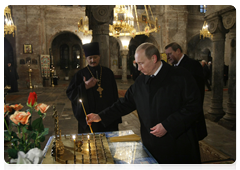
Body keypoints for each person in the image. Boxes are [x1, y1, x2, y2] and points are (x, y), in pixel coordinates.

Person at [87, 42, 202, 170]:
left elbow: (194, 106)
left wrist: (167, 125)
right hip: (152, 143)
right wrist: (100, 116)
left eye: (141, 63)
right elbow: (124, 103)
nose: (138, 69)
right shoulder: (141, 81)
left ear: (154, 58)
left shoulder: (181, 76)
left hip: (178, 144)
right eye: (137, 64)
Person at [66, 42, 122, 133]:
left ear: (99, 56)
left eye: (95, 57)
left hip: (107, 117)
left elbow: (115, 95)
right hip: (90, 117)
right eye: (90, 58)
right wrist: (85, 86)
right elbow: (70, 94)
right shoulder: (80, 74)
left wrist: (115, 115)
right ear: (86, 58)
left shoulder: (108, 73)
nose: (93, 60)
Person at [165, 42, 207, 140]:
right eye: (167, 55)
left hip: (190, 112)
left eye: (170, 54)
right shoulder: (174, 67)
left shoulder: (192, 65)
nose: (168, 57)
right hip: (179, 113)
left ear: (178, 51)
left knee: (191, 142)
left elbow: (198, 91)